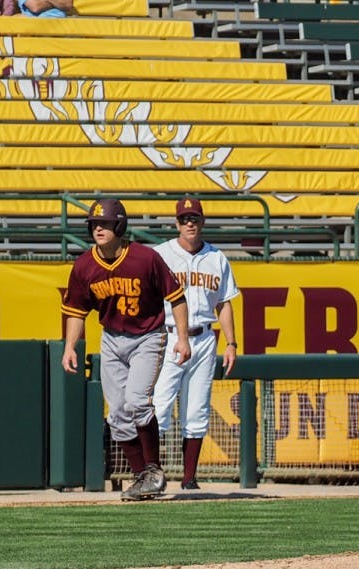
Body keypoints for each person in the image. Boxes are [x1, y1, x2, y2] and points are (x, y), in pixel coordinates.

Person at [61, 198, 192, 501]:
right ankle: (142, 477)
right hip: (111, 337)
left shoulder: (145, 258)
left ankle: (154, 470)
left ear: (119, 225)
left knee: (136, 400)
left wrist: (182, 338)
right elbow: (76, 312)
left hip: (148, 335)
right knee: (118, 414)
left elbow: (177, 297)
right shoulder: (84, 266)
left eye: (105, 223)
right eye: (94, 224)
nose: (99, 229)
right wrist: (70, 347)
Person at [152, 197, 240, 490]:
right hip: (170, 335)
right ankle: (152, 474)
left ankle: (189, 479)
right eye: (184, 218)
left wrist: (231, 343)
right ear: (176, 223)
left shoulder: (217, 258)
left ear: (202, 222)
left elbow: (224, 303)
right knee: (160, 406)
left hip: (203, 337)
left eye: (194, 218)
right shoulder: (160, 255)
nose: (189, 223)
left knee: (197, 410)